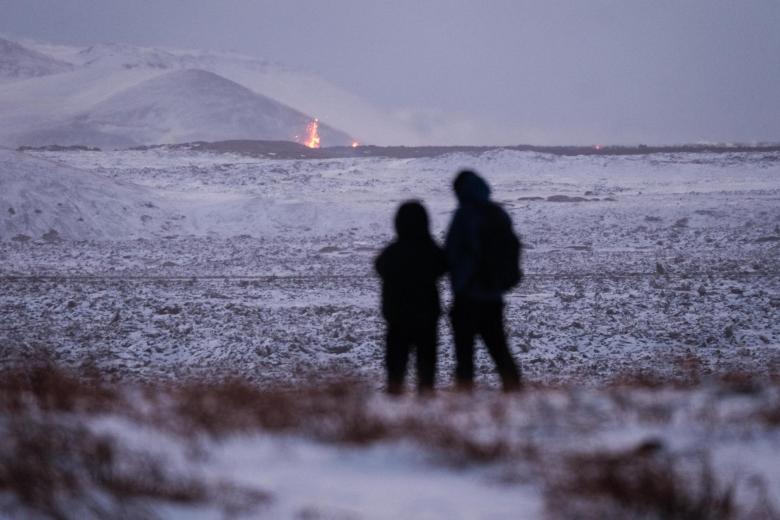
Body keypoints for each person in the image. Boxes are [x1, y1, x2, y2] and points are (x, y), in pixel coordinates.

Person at [445, 170, 523, 392]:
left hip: (467, 294)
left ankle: (464, 399)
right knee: (499, 349)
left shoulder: (464, 215)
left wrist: (460, 277)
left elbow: (452, 252)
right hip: (494, 294)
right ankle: (515, 394)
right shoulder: (498, 214)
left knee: (464, 354)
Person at [375, 200, 447, 395]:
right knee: (426, 362)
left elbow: (379, 266)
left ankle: (394, 397)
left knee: (396, 362)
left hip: (397, 317)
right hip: (426, 316)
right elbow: (443, 266)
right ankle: (425, 396)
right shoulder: (430, 250)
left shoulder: (393, 251)